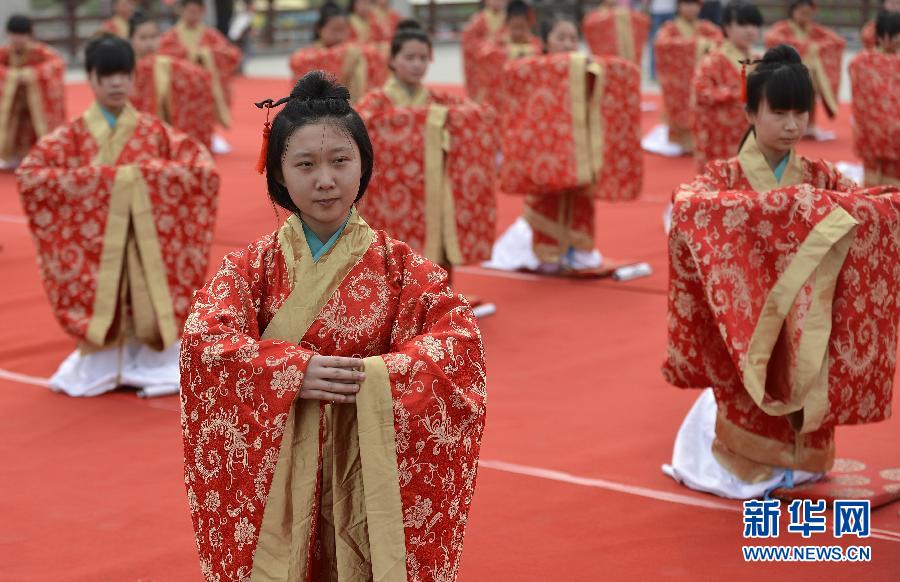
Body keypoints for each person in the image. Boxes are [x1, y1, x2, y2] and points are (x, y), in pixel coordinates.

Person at [180, 70, 486, 582]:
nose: (325, 179)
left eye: (340, 161)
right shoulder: (250, 267)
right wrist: (291, 372)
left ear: (363, 165)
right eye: (305, 164)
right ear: (279, 174)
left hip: (366, 464)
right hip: (277, 463)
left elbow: (457, 339)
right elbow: (203, 341)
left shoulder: (400, 267)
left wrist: (382, 376)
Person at [662, 45, 900, 499]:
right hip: (748, 311)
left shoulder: (820, 175)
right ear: (751, 111)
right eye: (780, 113)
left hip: (808, 311)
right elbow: (689, 203)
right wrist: (784, 209)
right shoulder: (724, 177)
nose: (792, 126)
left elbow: (866, 209)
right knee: (753, 380)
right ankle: (749, 458)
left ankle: (803, 461)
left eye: (801, 114)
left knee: (806, 376)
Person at [15, 35, 219, 398]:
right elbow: (32, 175)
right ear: (90, 78)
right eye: (106, 75)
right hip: (96, 252)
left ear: (133, 78)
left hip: (147, 247)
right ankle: (102, 357)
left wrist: (139, 181)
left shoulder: (154, 132)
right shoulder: (72, 137)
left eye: (123, 75)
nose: (116, 83)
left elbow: (201, 167)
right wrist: (113, 184)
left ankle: (152, 357)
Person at [487, 14, 642, 274]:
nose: (569, 44)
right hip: (548, 152)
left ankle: (577, 250)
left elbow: (619, 73)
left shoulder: (586, 68)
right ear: (545, 42)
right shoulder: (533, 67)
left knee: (580, 199)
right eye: (561, 38)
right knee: (548, 198)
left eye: (573, 38)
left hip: (579, 152)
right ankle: (547, 253)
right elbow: (512, 80)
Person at [356, 21, 497, 294]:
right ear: (393, 60)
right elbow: (364, 126)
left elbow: (478, 115)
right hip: (393, 194)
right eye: (409, 57)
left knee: (439, 240)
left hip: (433, 194)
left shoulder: (438, 100)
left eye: (423, 58)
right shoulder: (377, 100)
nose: (417, 64)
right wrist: (428, 123)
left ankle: (438, 297)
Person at [157, 0, 241, 152]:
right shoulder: (171, 36)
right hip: (179, 88)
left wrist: (207, 55)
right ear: (181, 11)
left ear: (202, 11)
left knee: (203, 117)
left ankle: (207, 139)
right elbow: (162, 58)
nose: (192, 16)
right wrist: (190, 57)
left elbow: (231, 54)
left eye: (196, 12)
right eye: (189, 12)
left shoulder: (210, 35)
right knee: (179, 117)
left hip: (204, 87)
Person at [691, 1, 762, 170]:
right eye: (743, 24)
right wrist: (736, 94)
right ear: (727, 27)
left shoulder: (758, 60)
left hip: (752, 132)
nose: (750, 30)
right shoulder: (714, 60)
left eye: (754, 24)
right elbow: (701, 91)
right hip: (721, 136)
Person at [129, 11, 216, 148]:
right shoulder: (126, 69)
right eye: (143, 38)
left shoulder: (168, 64)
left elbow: (201, 77)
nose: (149, 43)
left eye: (153, 37)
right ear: (130, 39)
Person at [647, 0, 723, 155]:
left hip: (702, 79)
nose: (691, 8)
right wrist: (700, 46)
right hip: (679, 83)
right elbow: (663, 45)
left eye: (695, 4)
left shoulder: (706, 28)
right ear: (679, 6)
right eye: (686, 3)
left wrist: (701, 46)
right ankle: (681, 141)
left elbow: (720, 42)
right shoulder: (670, 28)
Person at [764, 0, 845, 140]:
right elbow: (772, 40)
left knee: (810, 91)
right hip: (787, 73)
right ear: (792, 12)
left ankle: (810, 126)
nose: (805, 17)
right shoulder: (782, 28)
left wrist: (815, 48)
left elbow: (837, 41)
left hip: (809, 74)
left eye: (808, 13)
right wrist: (808, 48)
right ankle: (785, 126)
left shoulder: (814, 30)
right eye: (801, 13)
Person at [0, 15, 66, 170]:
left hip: (36, 105)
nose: (18, 39)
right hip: (12, 106)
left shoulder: (40, 52)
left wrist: (33, 75)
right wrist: (12, 76)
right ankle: (9, 155)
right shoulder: (4, 53)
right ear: (8, 35)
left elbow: (56, 65)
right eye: (14, 34)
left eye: (22, 35)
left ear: (30, 35)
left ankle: (43, 155)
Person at [288, 1, 388, 102]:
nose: (339, 36)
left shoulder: (352, 50)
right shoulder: (306, 55)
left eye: (343, 30)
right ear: (319, 29)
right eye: (334, 30)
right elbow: (296, 62)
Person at [849, 10, 900, 186]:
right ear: (882, 36)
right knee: (872, 174)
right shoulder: (862, 62)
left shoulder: (862, 61)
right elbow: (862, 97)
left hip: (893, 130)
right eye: (894, 35)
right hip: (872, 129)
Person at [460, 0, 508, 102]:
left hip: (502, 66)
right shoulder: (478, 20)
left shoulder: (509, 19)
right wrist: (488, 47)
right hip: (482, 67)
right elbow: (468, 41)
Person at [583, 0, 651, 65]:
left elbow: (642, 21)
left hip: (622, 56)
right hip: (605, 57)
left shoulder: (624, 13)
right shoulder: (594, 17)